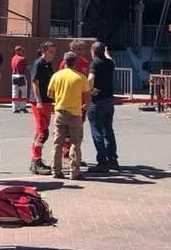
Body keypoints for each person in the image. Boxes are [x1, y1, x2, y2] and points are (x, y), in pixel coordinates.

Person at [47, 51, 91, 180]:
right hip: (75, 113)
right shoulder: (81, 77)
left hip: (60, 111)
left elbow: (49, 93)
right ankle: (74, 171)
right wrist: (85, 105)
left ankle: (56, 170)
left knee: (57, 142)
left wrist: (59, 98)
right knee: (75, 142)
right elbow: (87, 96)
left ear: (64, 61)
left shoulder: (56, 76)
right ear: (75, 62)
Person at [87, 41, 118, 173]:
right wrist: (106, 52)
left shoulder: (95, 63)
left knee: (97, 131)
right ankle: (112, 160)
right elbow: (110, 59)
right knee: (108, 131)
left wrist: (89, 90)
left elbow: (90, 78)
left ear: (93, 52)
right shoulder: (110, 63)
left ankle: (102, 161)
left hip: (97, 101)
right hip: (109, 101)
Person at [28, 41, 56, 175]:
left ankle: (36, 160)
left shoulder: (48, 64)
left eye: (54, 52)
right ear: (44, 51)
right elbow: (35, 83)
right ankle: (36, 162)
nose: (53, 54)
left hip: (47, 101)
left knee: (42, 131)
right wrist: (38, 101)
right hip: (40, 102)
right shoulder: (38, 64)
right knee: (42, 132)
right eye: (51, 52)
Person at [10, 45, 29, 113]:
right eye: (21, 50)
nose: (22, 51)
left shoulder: (13, 58)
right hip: (21, 76)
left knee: (15, 92)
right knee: (24, 92)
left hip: (14, 76)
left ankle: (15, 108)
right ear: (18, 51)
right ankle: (23, 107)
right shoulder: (22, 58)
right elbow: (27, 67)